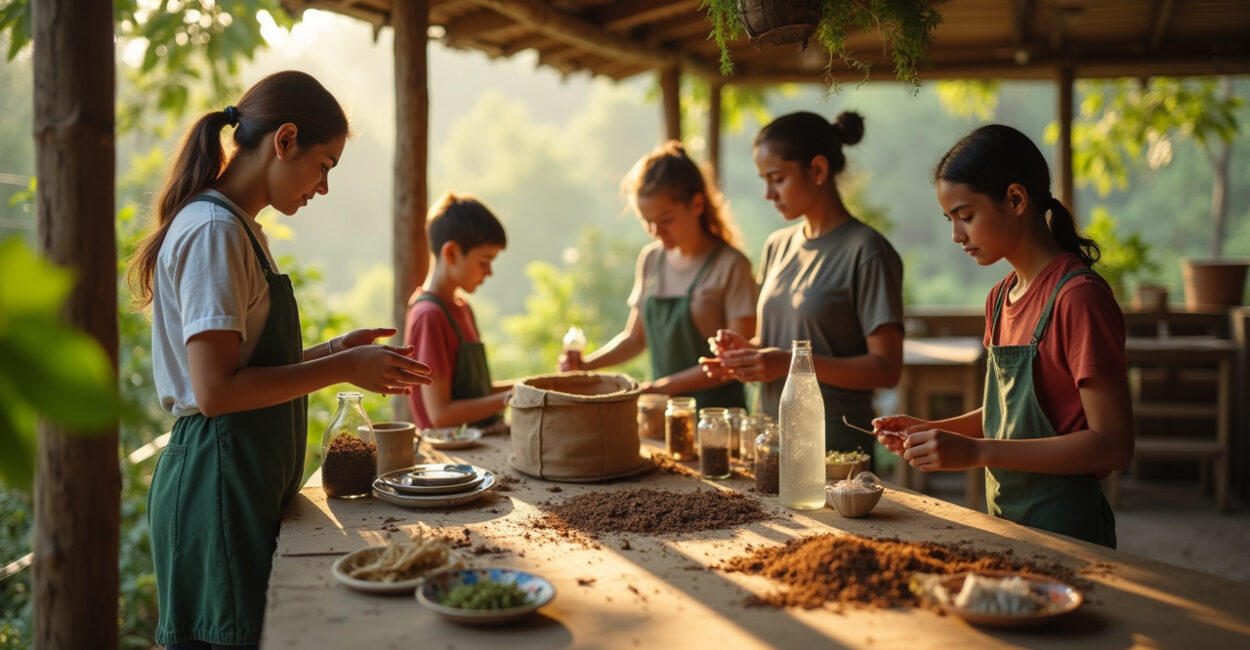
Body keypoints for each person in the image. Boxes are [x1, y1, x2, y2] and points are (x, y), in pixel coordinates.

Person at [129, 71, 432, 649]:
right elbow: (216, 391)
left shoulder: (242, 229)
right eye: (325, 165)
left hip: (244, 480)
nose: (323, 186)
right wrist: (342, 369)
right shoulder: (214, 230)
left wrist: (334, 351)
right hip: (217, 484)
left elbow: (242, 365)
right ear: (285, 139)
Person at [873, 124, 1134, 548]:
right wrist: (929, 429)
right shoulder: (1000, 298)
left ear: (1015, 199)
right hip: (1006, 521)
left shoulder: (1078, 298)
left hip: (1069, 529)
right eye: (950, 220)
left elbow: (1113, 445)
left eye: (966, 216)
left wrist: (977, 453)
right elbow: (1006, 416)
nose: (957, 235)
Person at [703, 111, 904, 457]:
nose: (768, 193)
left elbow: (886, 369)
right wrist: (746, 353)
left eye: (777, 178)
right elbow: (774, 344)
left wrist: (788, 363)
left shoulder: (867, 252)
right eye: (764, 180)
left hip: (833, 446)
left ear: (818, 170)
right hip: (769, 438)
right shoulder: (777, 245)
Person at [561, 141, 757, 408]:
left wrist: (660, 388)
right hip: (664, 416)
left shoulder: (732, 265)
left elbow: (736, 360)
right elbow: (635, 339)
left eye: (667, 220)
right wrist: (584, 366)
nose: (656, 231)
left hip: (718, 421)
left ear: (697, 204)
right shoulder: (651, 259)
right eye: (647, 221)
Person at [405, 192, 514, 429]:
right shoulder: (429, 315)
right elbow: (440, 415)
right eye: (484, 262)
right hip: (448, 456)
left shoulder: (463, 309)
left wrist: (528, 388)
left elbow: (478, 395)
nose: (489, 272)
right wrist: (511, 398)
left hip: (480, 441)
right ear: (451, 253)